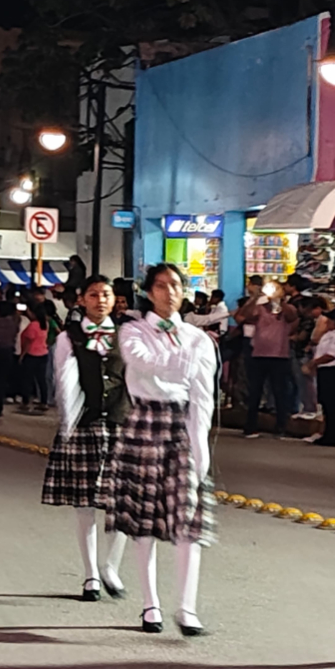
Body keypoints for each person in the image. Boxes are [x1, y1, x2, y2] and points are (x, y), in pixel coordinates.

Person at [104, 263, 217, 636]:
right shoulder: (133, 331)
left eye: (175, 285)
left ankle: (187, 608)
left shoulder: (199, 339)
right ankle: (150, 604)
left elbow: (203, 396)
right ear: (149, 292)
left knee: (188, 520)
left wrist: (200, 448)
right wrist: (180, 362)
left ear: (184, 291)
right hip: (145, 421)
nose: (169, 292)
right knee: (144, 521)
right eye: (161, 285)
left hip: (181, 425)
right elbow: (144, 364)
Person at [42, 275, 129, 602]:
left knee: (122, 502)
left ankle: (111, 567)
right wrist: (68, 424)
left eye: (106, 294)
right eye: (93, 295)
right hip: (85, 424)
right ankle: (90, 574)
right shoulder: (69, 338)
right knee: (85, 505)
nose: (101, 300)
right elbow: (63, 380)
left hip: (121, 422)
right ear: (82, 300)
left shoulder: (127, 335)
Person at [235, 280, 298, 438]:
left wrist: (279, 299)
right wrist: (255, 298)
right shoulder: (260, 309)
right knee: (255, 391)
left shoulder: (286, 309)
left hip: (279, 356)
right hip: (259, 354)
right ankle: (251, 425)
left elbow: (292, 316)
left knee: (279, 392)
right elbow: (245, 316)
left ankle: (281, 426)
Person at [306, 309, 335, 446]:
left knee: (332, 403)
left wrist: (314, 363)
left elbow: (332, 355)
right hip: (324, 370)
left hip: (333, 370)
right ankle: (328, 433)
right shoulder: (330, 334)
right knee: (326, 403)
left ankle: (334, 435)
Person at [19, 300, 51, 410]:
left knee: (27, 379)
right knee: (41, 379)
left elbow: (28, 342)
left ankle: (26, 402)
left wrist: (22, 355)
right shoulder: (45, 324)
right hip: (43, 353)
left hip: (31, 354)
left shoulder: (33, 325)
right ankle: (44, 401)